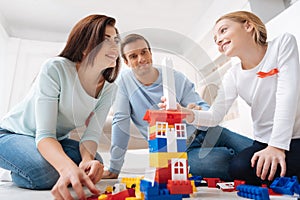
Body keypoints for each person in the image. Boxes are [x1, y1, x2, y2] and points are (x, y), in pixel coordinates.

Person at [0, 14, 121, 200]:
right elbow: (45, 135)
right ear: (85, 46)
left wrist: (87, 161)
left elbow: (90, 135)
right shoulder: (56, 68)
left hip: (55, 140)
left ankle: (32, 165)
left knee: (95, 162)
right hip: (13, 134)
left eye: (116, 40)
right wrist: (67, 168)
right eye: (105, 40)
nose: (114, 47)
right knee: (44, 172)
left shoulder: (109, 89)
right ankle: (13, 171)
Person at [102, 33, 253, 181]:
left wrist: (199, 111)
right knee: (228, 162)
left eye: (144, 52)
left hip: (208, 132)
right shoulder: (123, 84)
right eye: (133, 56)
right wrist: (114, 168)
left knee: (257, 150)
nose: (141, 59)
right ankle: (247, 166)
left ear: (150, 53)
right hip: (179, 152)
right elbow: (120, 122)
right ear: (127, 62)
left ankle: (252, 164)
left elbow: (203, 108)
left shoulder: (175, 77)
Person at [178, 11, 300, 185]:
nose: (219, 41)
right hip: (263, 143)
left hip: (293, 138)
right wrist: (187, 113)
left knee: (268, 168)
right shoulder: (233, 74)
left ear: (248, 25)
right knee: (239, 168)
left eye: (223, 30)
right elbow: (214, 116)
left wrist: (277, 146)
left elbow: (287, 95)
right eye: (215, 39)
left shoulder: (282, 44)